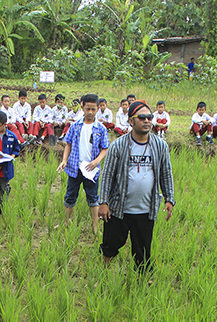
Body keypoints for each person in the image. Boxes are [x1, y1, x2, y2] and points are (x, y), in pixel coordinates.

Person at [97, 101, 175, 273]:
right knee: (111, 243)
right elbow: (108, 175)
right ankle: (104, 272)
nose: (147, 121)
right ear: (131, 121)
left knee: (143, 249)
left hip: (146, 209)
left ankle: (142, 282)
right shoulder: (118, 145)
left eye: (149, 117)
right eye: (142, 117)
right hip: (119, 207)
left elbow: (166, 173)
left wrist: (169, 198)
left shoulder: (160, 146)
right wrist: (103, 202)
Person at [58, 93, 109, 233]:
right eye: (88, 109)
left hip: (91, 170)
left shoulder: (101, 129)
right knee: (70, 196)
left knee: (93, 198)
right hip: (75, 167)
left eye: (93, 109)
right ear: (82, 107)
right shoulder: (75, 126)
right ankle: (65, 223)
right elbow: (68, 144)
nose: (90, 112)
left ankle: (95, 226)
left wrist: (96, 161)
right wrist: (64, 160)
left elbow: (105, 148)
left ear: (98, 108)